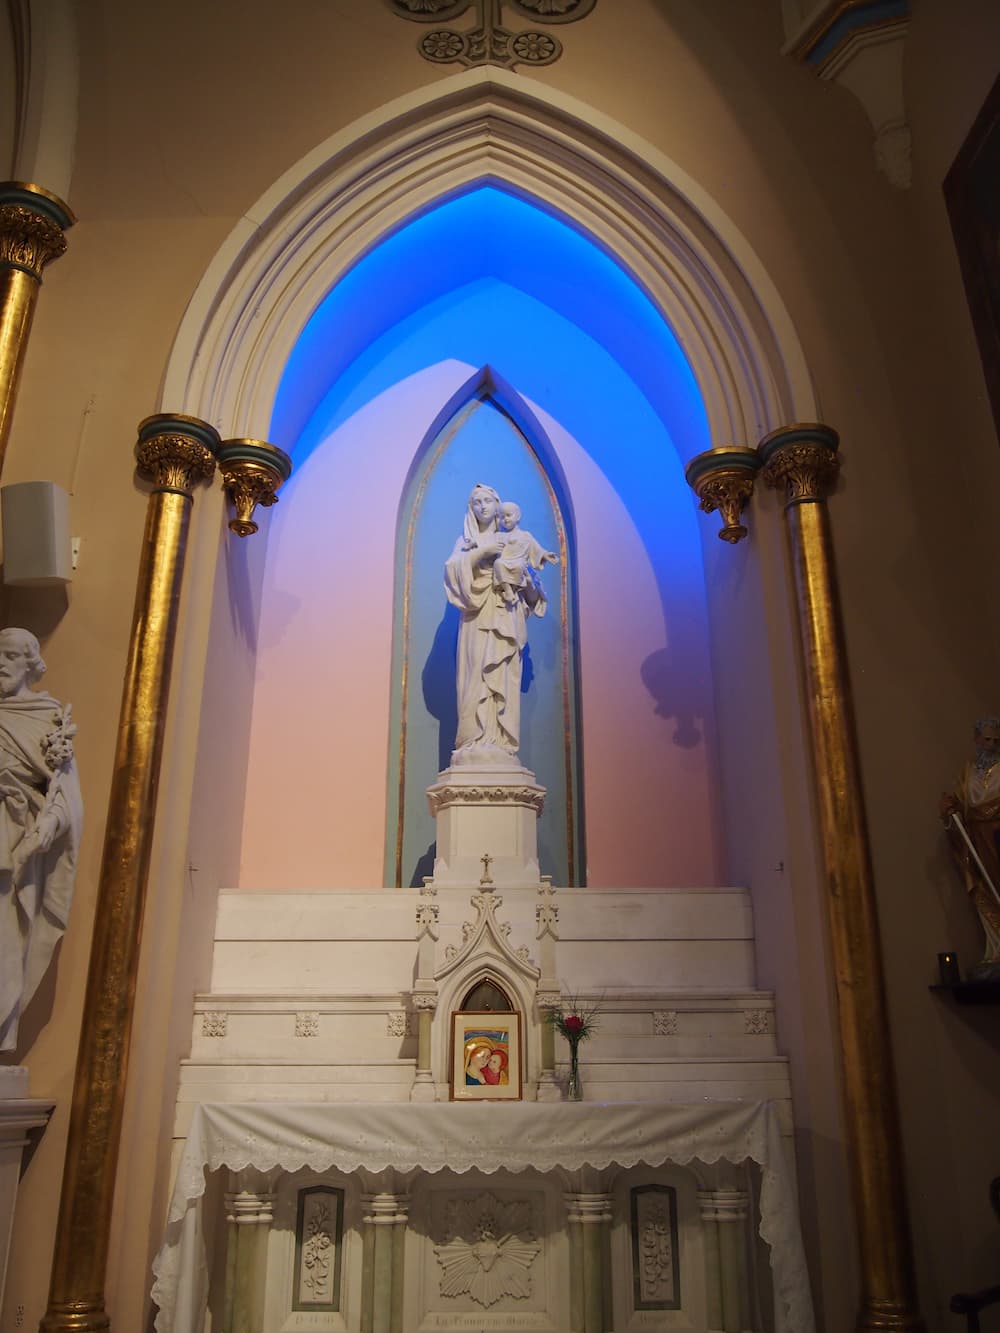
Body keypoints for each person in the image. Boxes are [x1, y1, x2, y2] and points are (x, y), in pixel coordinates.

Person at [0, 628, 82, 1052]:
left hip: (14, 847)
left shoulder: (48, 719)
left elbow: (65, 800)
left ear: (30, 664)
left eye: (12, 656)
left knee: (6, 940)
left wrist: (44, 829)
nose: (1, 664)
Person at [443, 484, 552, 763]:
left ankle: (501, 742)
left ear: (497, 504)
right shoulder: (467, 541)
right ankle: (474, 739)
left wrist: (523, 579)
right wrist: (483, 552)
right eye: (476, 502)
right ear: (471, 508)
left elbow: (530, 586)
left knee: (503, 674)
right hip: (477, 618)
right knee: (477, 675)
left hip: (505, 614)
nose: (482, 506)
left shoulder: (514, 539)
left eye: (487, 501)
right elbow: (453, 569)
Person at [940, 716, 1000, 976]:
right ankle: (996, 950)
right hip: (978, 840)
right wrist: (948, 809)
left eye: (996, 740)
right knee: (984, 888)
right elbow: (959, 807)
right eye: (987, 739)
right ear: (976, 740)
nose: (992, 745)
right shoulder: (967, 773)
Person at [491, 502, 559, 611]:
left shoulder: (525, 535)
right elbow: (486, 545)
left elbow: (536, 549)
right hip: (503, 562)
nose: (505, 519)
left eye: (508, 515)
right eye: (502, 517)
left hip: (519, 562)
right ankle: (507, 590)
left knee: (520, 567)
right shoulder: (498, 535)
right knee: (497, 564)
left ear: (517, 516)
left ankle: (513, 590)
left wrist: (545, 555)